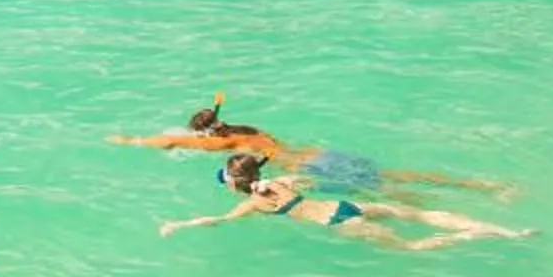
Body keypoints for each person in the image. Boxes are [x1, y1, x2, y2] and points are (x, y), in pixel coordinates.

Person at [107, 95, 511, 197]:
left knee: (387, 191)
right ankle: (479, 186)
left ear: (204, 133)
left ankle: (435, 206)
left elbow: (170, 141)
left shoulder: (225, 142)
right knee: (396, 176)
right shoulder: (248, 130)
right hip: (321, 154)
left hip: (309, 169)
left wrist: (131, 140)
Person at [159, 152, 530, 250]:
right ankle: (503, 230)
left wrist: (179, 224)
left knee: (412, 247)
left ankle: (479, 236)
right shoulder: (283, 181)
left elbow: (217, 221)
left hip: (338, 222)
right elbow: (312, 179)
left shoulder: (254, 204)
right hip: (345, 207)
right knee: (424, 214)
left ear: (234, 185)